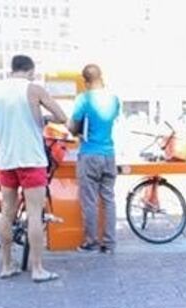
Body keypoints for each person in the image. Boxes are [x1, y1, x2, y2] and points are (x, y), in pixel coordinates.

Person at [0, 54, 67, 282]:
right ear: (30, 71)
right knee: (34, 215)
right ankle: (38, 269)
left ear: (12, 69)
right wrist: (45, 118)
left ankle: (7, 265)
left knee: (7, 213)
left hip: (6, 160)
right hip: (31, 159)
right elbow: (61, 116)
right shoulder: (34, 89)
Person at [68, 63, 120, 254]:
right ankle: (109, 243)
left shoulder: (83, 99)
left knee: (89, 200)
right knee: (108, 200)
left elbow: (74, 126)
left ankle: (90, 242)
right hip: (109, 154)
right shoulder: (114, 99)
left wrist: (72, 128)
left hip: (89, 154)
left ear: (85, 81)